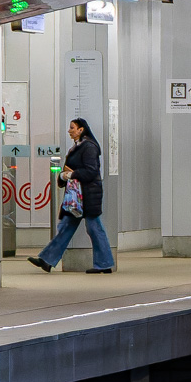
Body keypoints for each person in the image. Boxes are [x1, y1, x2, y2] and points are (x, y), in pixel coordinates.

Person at [28, 118, 116, 275]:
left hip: (87, 196)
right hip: (77, 196)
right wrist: (64, 176)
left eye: (72, 128)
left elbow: (91, 171)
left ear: (81, 130)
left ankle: (104, 263)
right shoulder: (78, 147)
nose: (69, 130)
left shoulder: (88, 147)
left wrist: (71, 174)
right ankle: (47, 260)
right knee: (68, 227)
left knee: (94, 228)